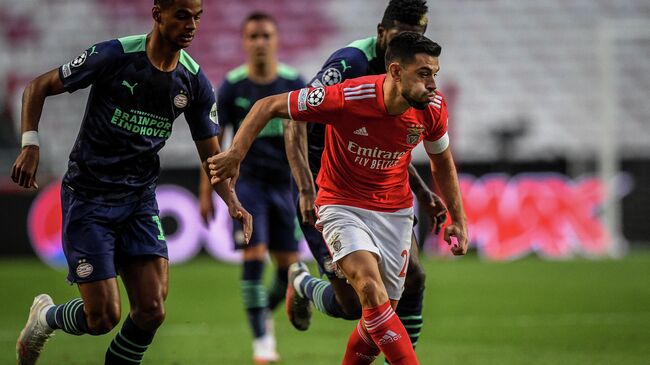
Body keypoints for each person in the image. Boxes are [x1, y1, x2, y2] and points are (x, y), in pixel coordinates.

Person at [11, 1, 251, 364]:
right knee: (102, 317)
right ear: (158, 14)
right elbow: (38, 86)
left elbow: (211, 157)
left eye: (197, 17)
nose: (191, 25)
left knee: (152, 310)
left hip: (138, 200)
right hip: (89, 197)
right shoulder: (114, 55)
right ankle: (46, 318)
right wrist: (30, 143)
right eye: (182, 15)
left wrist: (231, 201)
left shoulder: (195, 82)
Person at [208, 31, 468, 365]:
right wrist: (235, 155)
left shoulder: (431, 109)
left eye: (435, 74)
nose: (432, 84)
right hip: (341, 204)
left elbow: (442, 162)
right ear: (394, 72)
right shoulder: (349, 96)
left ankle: (300, 281)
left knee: (371, 314)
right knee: (369, 290)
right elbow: (269, 105)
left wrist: (458, 219)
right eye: (423, 74)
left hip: (394, 210)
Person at [282, 1, 445, 361]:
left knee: (414, 276)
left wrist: (424, 192)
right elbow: (294, 117)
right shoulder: (349, 64)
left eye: (415, 36)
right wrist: (306, 188)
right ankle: (302, 283)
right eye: (401, 35)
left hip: (378, 186)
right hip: (326, 182)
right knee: (353, 305)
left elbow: (395, 144)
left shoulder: (412, 73)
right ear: (380, 32)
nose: (408, 42)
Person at [197, 12, 305, 364]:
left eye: (266, 36)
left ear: (276, 40)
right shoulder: (231, 86)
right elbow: (212, 143)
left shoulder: (294, 81)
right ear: (244, 42)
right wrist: (206, 191)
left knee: (289, 271)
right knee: (253, 258)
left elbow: (306, 139)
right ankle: (262, 342)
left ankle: (264, 311)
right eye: (253, 36)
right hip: (249, 186)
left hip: (286, 186)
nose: (260, 42)